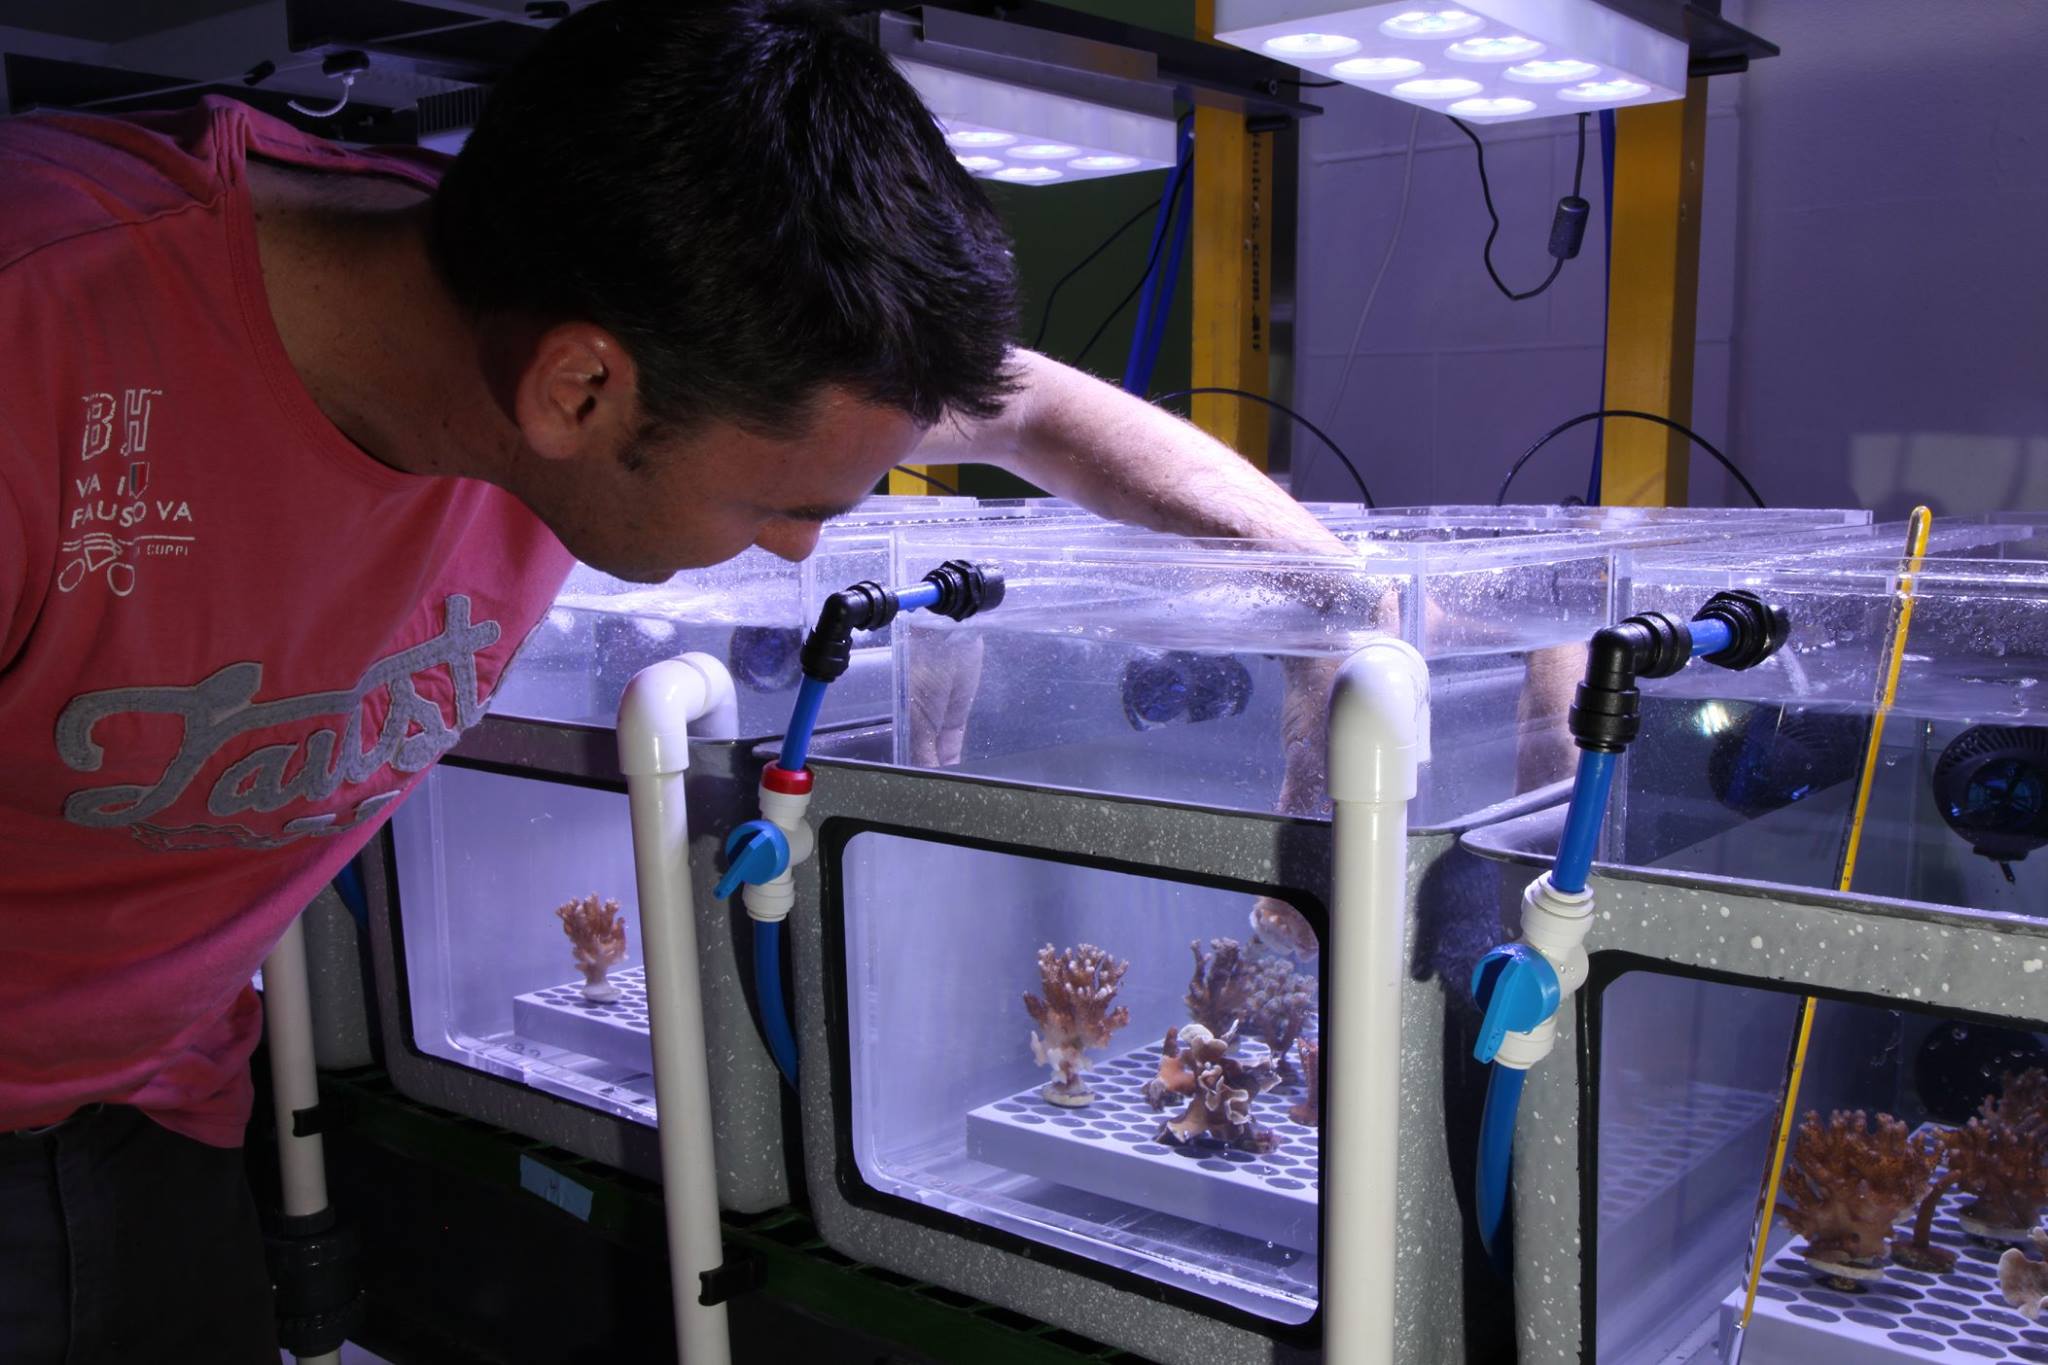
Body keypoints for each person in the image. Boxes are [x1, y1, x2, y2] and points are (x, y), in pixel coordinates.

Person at [0, 0, 1343, 1358]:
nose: (808, 545)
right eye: (784, 503)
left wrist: (1338, 619)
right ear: (577, 392)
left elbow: (1031, 407)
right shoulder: (46, 353)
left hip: (159, 1104)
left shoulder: (682, 305)